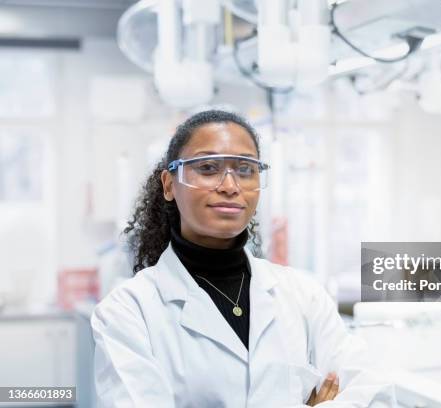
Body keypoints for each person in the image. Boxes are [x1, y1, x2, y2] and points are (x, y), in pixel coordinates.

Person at [90, 110, 397, 407]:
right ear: (170, 185)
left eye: (245, 169)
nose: (230, 186)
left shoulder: (303, 295)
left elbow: (376, 395)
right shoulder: (128, 313)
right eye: (208, 167)